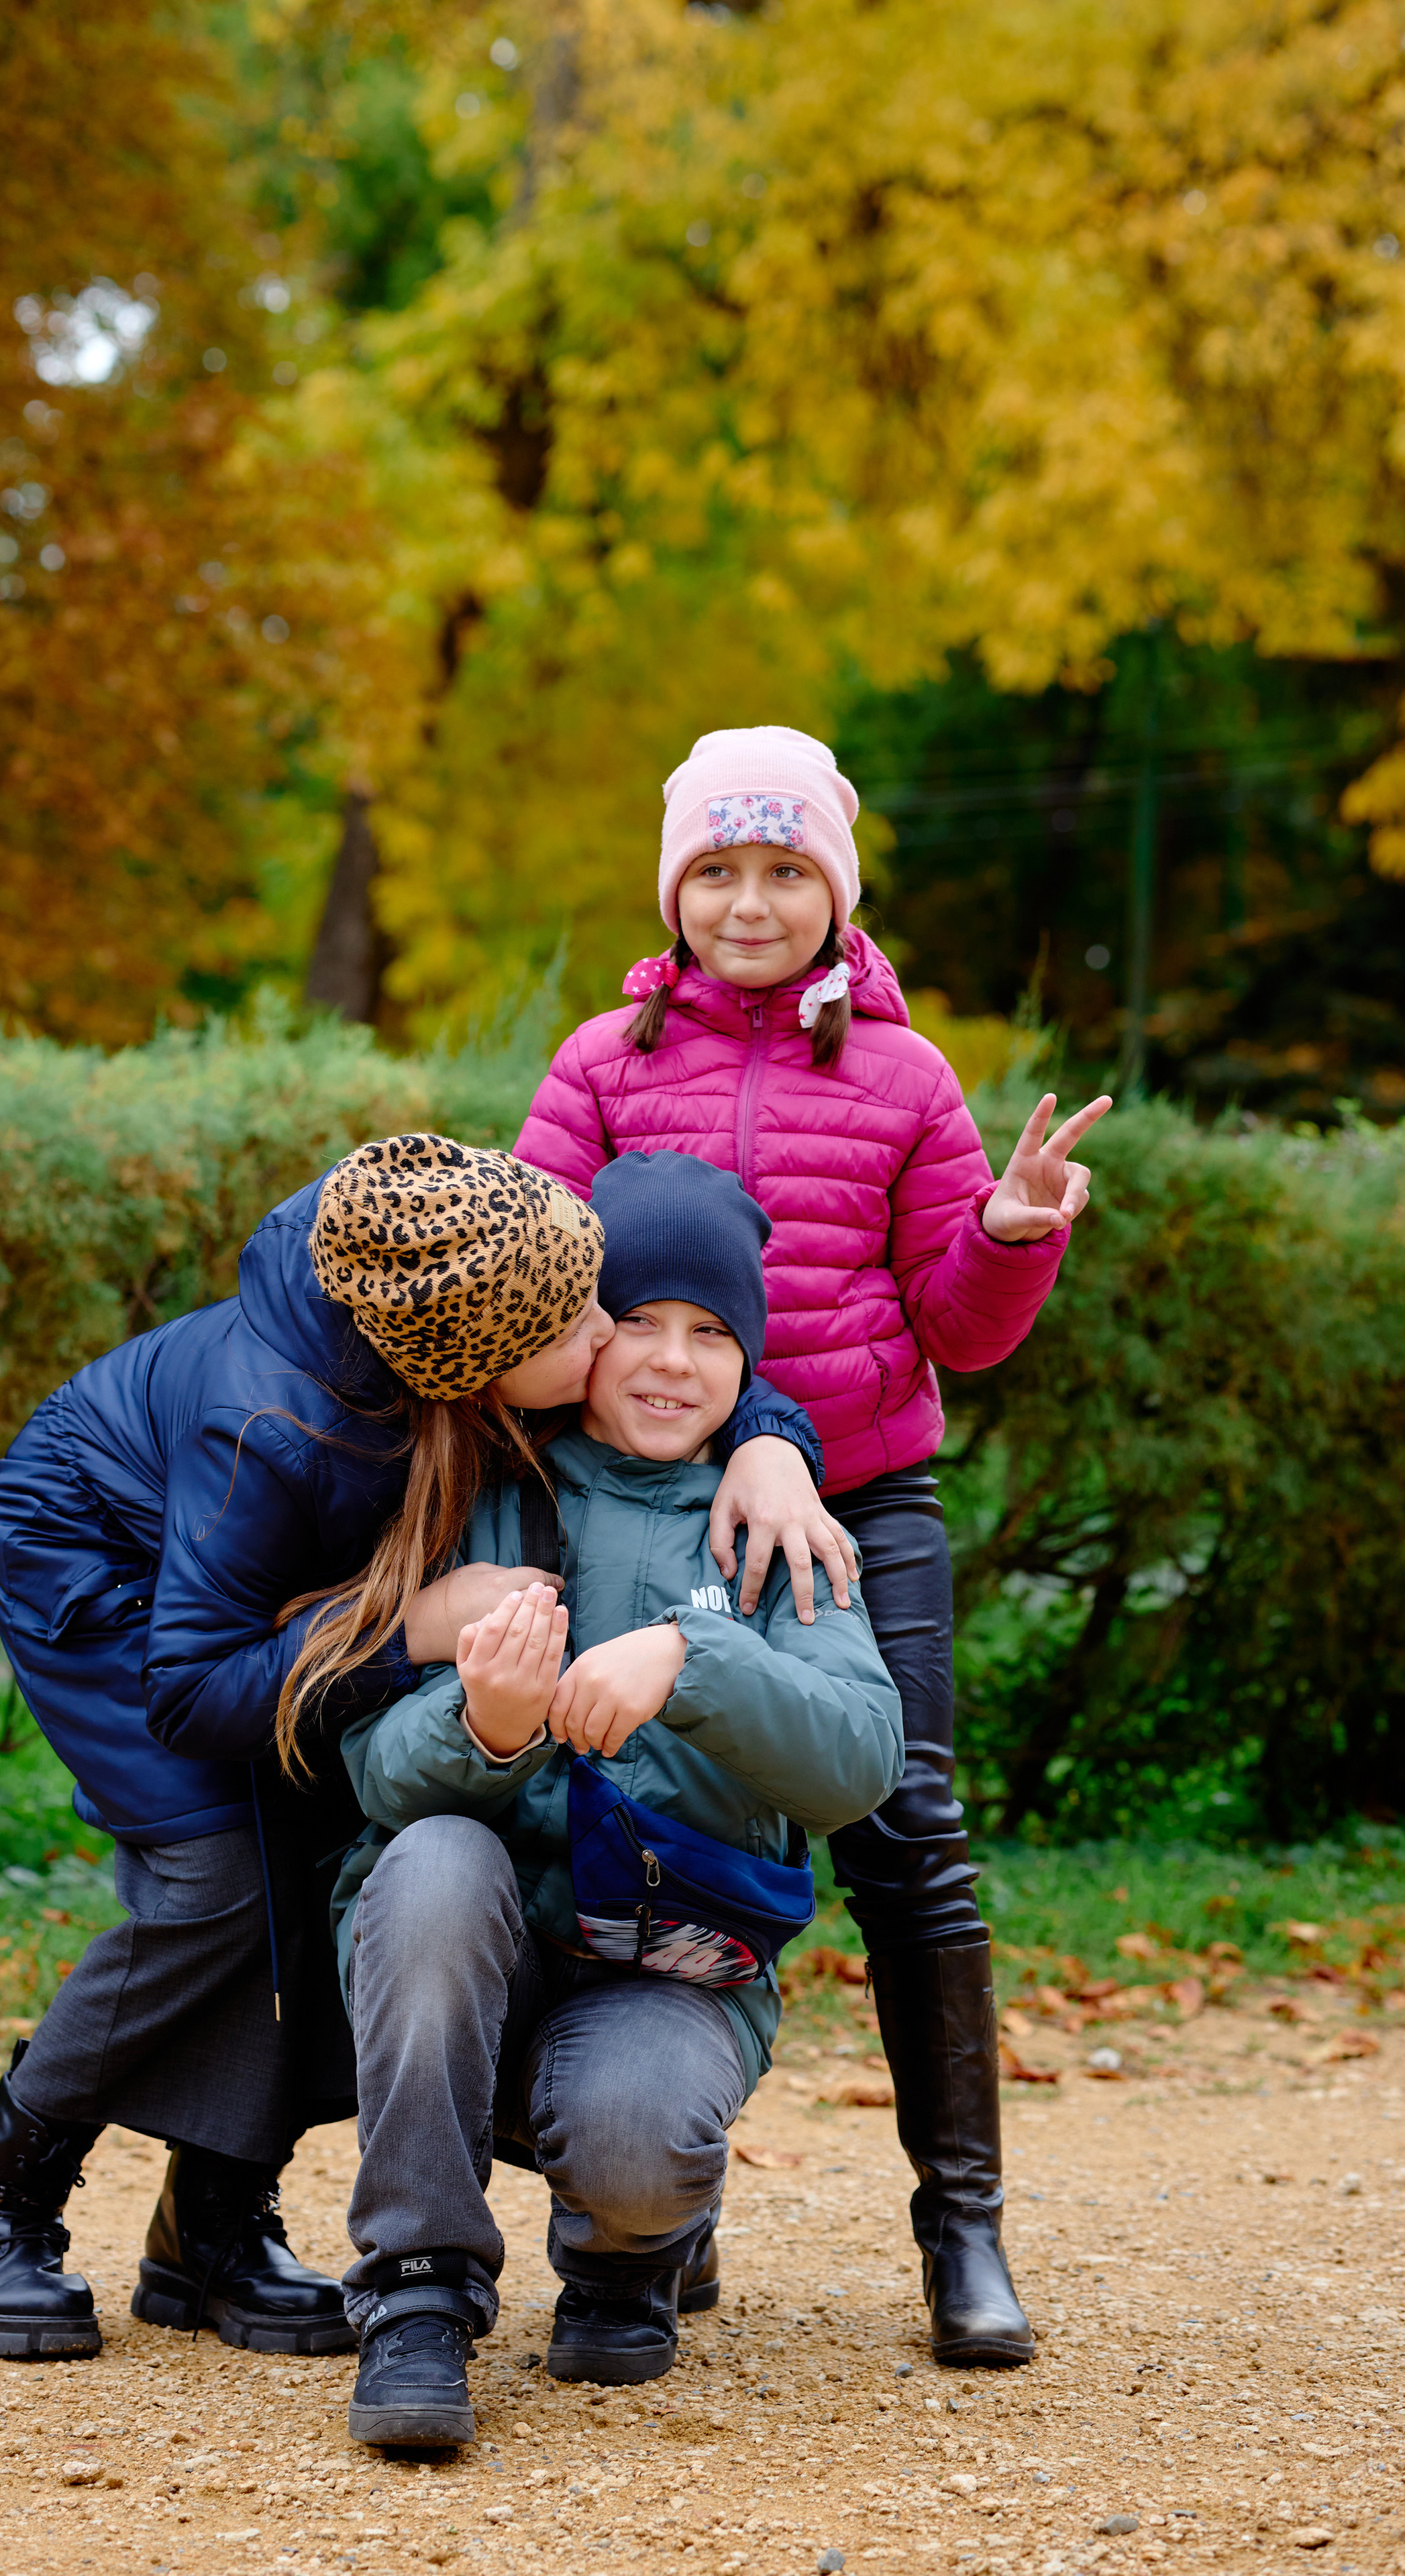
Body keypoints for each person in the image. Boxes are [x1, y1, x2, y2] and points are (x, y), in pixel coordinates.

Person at [0, 1130, 845, 2361]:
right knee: (220, 1882)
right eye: (586, 1329)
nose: (612, 1343)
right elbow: (194, 1691)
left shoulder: (464, 1258)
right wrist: (409, 1633)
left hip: (259, 1591)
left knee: (318, 1843)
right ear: (483, 1370)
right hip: (107, 1567)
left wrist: (770, 1436)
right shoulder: (272, 1428)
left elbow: (686, 1321)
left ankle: (211, 2227)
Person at [513, 727, 1110, 2368]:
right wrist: (749, 1429)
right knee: (628, 1801)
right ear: (674, 888)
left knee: (905, 1835)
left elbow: (954, 1330)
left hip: (861, 1507)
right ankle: (655, 2196)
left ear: (834, 895)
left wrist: (1005, 1239)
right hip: (642, 1502)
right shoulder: (601, 1064)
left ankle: (961, 2231)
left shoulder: (905, 1079)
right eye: (717, 869)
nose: (749, 902)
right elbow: (540, 1302)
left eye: (785, 871)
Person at [330, 1150, 906, 2448]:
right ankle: (417, 2290)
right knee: (431, 1862)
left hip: (669, 1968)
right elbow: (368, 1768)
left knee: (640, 2143)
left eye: (713, 1334)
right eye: (639, 1320)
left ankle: (627, 2252)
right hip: (473, 1955)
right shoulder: (481, 1495)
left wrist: (698, 1659)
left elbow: (863, 1760)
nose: (671, 1362)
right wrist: (486, 1724)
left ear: (750, 1363)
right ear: (581, 1332)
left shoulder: (777, 1530)